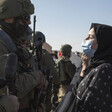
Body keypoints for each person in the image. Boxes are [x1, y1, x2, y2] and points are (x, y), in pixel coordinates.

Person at [0, 0, 46, 112]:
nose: (29, 22)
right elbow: (8, 86)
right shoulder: (2, 44)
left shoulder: (12, 44)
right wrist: (37, 77)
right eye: (26, 17)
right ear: (9, 18)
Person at [70, 23, 112, 112]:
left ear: (103, 43)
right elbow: (77, 91)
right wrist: (84, 67)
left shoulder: (104, 70)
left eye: (91, 37)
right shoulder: (94, 65)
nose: (86, 39)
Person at [34, 31, 60, 112]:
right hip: (42, 90)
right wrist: (57, 84)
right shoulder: (44, 54)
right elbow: (53, 72)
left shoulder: (25, 53)